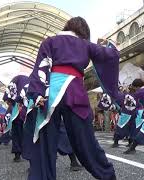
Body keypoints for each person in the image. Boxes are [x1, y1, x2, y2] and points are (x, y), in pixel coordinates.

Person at [27, 17, 118, 180]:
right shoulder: (85, 44)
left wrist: (37, 94)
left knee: (45, 146)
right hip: (75, 92)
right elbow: (110, 55)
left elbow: (41, 67)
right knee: (86, 142)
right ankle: (107, 176)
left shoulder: (49, 41)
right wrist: (109, 43)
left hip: (50, 95)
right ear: (84, 32)